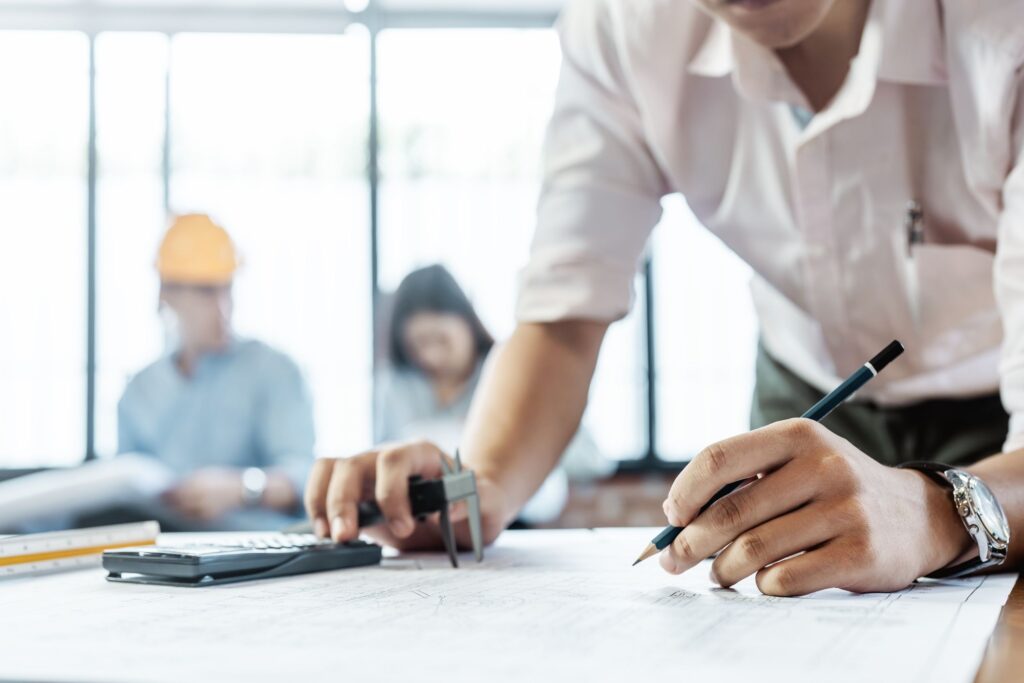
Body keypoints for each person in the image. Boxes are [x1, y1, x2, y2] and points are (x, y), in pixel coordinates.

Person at [306, 0, 1024, 595]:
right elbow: (564, 311)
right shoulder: (624, 24)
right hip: (809, 392)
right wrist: (481, 486)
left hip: (999, 404)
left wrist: (941, 510)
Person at [116, 214, 315, 530]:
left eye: (227, 289)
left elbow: (307, 477)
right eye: (206, 292)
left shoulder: (274, 371)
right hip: (165, 550)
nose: (224, 308)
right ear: (166, 294)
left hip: (257, 550)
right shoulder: (139, 392)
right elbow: (126, 487)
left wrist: (243, 489)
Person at [376, 265, 613, 525]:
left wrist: (509, 444)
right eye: (418, 345)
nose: (431, 356)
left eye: (441, 340)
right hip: (425, 528)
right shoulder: (396, 387)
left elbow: (591, 460)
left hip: (517, 523)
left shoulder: (513, 376)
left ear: (467, 323)